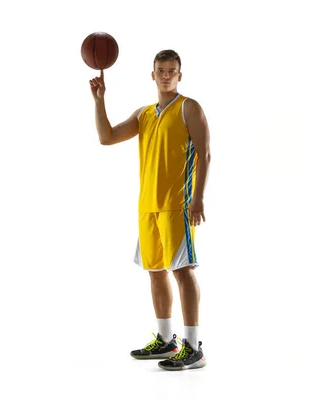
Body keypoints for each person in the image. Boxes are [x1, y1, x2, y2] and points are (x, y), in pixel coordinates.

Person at [89, 49, 211, 371]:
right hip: (148, 206)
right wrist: (99, 99)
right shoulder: (144, 114)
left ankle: (193, 346)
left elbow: (205, 154)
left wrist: (198, 198)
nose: (167, 75)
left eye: (172, 70)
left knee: (182, 271)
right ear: (153, 74)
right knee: (155, 271)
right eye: (161, 70)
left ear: (180, 75)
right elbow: (107, 137)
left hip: (177, 205)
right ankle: (167, 340)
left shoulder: (189, 108)